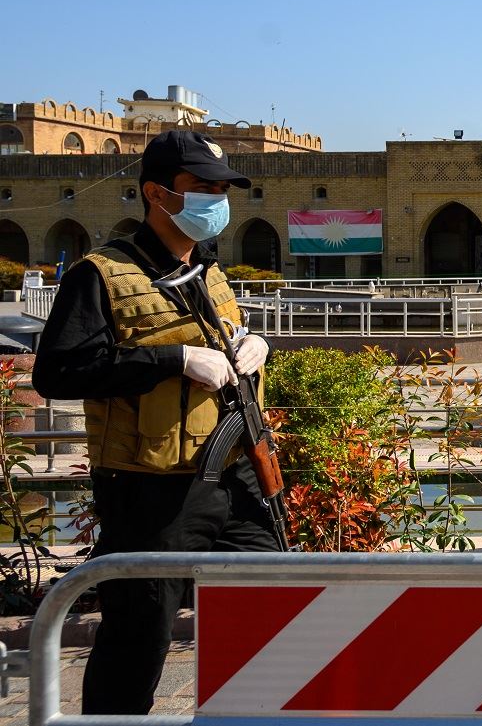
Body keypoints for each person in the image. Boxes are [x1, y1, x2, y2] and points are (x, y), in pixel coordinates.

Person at [33, 130, 275, 715]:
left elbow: (221, 342)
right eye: (202, 188)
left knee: (273, 599)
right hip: (150, 487)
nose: (216, 200)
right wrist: (171, 360)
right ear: (157, 194)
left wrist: (256, 346)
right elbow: (60, 373)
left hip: (234, 473)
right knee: (140, 634)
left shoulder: (209, 271)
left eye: (223, 189)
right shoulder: (100, 274)